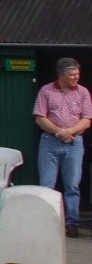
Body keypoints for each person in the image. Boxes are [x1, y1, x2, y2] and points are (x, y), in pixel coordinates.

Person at [34, 57, 92, 237]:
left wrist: (69, 132)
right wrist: (59, 131)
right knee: (47, 184)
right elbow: (40, 117)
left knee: (72, 184)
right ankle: (47, 220)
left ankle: (72, 223)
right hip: (50, 142)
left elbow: (87, 120)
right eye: (72, 74)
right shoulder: (46, 91)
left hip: (74, 143)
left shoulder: (83, 92)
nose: (76, 77)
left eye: (77, 74)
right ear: (61, 75)